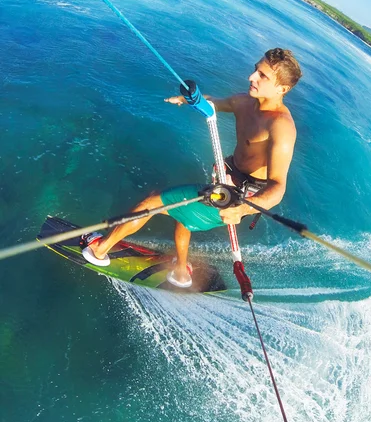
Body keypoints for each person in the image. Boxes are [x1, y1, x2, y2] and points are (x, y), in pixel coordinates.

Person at [81, 48, 302, 288]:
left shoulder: (281, 126)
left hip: (239, 198)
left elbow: (277, 187)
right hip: (225, 180)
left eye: (263, 76)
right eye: (255, 70)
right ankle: (181, 271)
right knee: (184, 216)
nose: (251, 77)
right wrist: (191, 99)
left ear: (282, 89)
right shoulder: (244, 101)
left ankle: (99, 251)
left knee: (151, 203)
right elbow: (213, 105)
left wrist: (240, 211)